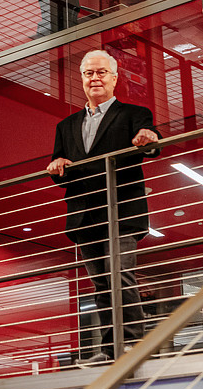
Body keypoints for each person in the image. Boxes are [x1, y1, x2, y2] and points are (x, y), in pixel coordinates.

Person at [47, 49, 160, 366]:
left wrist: (149, 138)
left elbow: (151, 143)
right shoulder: (66, 125)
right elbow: (60, 169)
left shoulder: (134, 113)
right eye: (88, 73)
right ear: (82, 79)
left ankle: (133, 343)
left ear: (114, 78)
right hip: (84, 215)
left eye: (101, 72)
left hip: (121, 211)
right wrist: (57, 166)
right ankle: (111, 349)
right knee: (101, 284)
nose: (94, 78)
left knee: (120, 276)